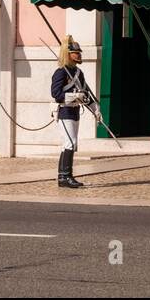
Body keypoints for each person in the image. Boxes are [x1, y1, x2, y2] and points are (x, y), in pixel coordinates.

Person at [51, 36, 87, 189]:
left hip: (75, 112)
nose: (78, 55)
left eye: (79, 52)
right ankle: (65, 177)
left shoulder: (79, 73)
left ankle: (64, 176)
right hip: (65, 112)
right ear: (68, 54)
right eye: (75, 52)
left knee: (71, 144)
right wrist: (74, 96)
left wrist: (96, 109)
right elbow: (56, 94)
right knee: (69, 144)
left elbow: (85, 93)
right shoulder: (61, 72)